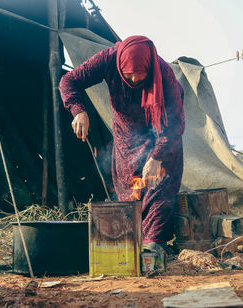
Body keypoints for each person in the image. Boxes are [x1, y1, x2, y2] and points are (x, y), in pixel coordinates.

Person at [59, 35, 185, 265]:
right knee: (131, 194)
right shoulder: (108, 60)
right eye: (129, 74)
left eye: (140, 73)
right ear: (120, 67)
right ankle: (128, 248)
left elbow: (176, 123)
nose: (135, 78)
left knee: (157, 189)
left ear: (150, 67)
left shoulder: (164, 73)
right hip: (127, 141)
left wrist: (157, 157)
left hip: (162, 137)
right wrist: (78, 110)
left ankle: (153, 249)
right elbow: (68, 81)